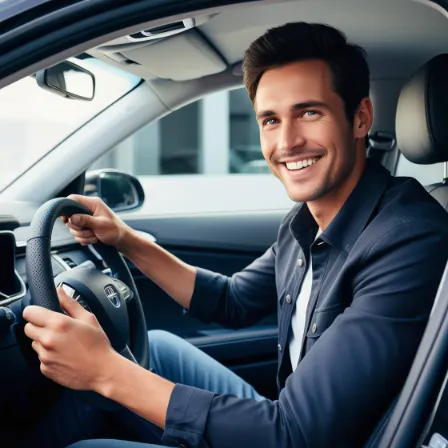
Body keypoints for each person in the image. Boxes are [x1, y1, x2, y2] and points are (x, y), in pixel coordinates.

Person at [21, 22, 448, 448]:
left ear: (360, 118)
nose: (287, 142)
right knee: (162, 349)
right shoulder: (304, 222)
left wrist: (104, 371)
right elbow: (232, 301)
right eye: (270, 120)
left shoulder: (409, 239)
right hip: (291, 421)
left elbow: (295, 435)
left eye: (309, 112)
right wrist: (124, 238)